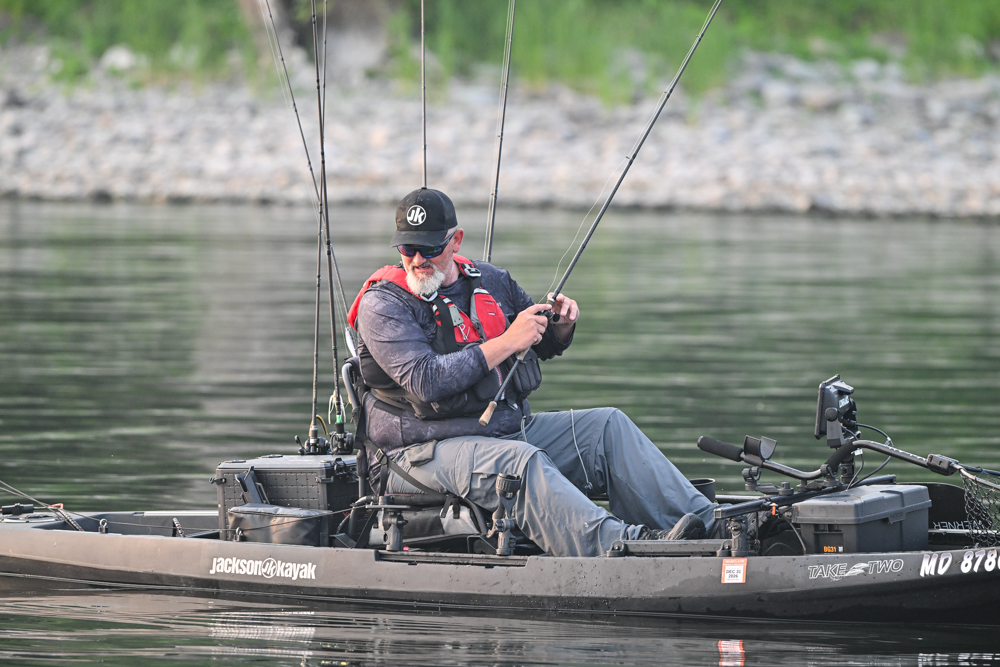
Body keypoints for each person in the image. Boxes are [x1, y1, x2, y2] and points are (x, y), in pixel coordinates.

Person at [347, 187, 716, 557]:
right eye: (408, 248)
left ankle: (713, 525)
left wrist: (560, 325)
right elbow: (426, 381)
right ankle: (626, 546)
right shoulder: (383, 304)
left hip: (505, 432)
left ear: (455, 241)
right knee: (519, 463)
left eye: (429, 249)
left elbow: (542, 343)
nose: (417, 260)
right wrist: (508, 340)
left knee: (607, 427)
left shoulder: (492, 280)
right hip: (416, 456)